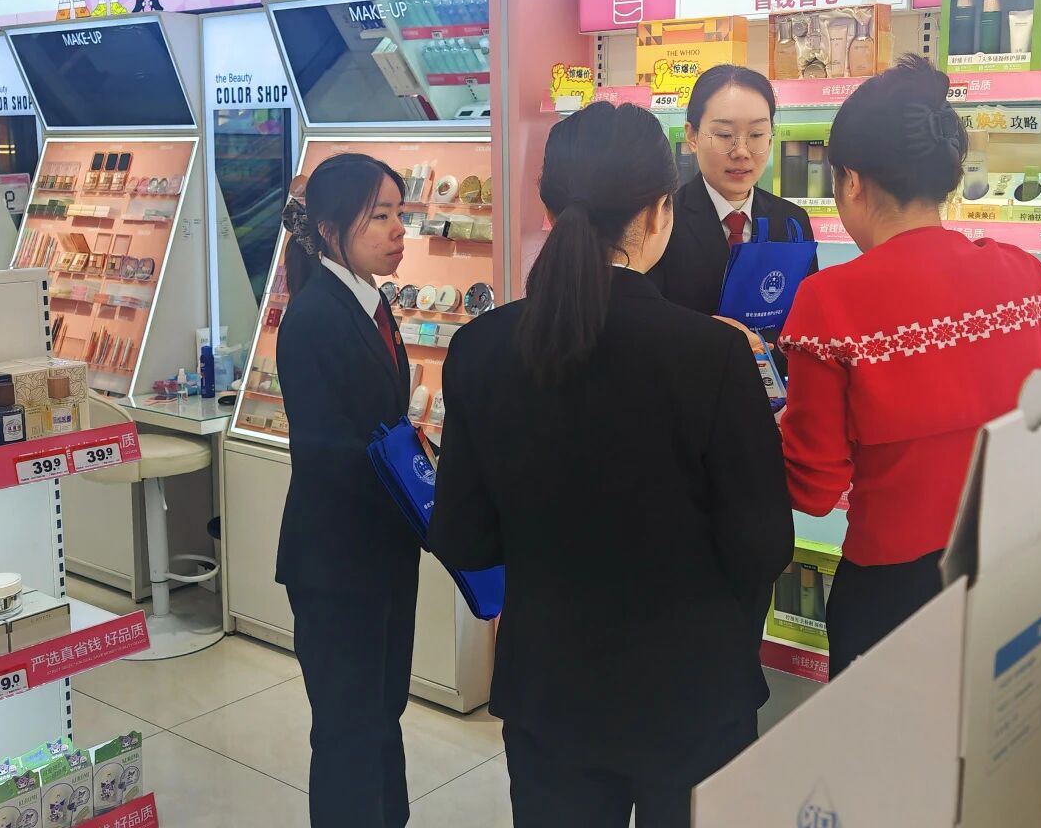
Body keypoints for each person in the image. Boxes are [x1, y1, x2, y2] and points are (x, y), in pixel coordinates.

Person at [429, 102, 793, 828]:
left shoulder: (480, 348)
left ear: (549, 210)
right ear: (659, 211)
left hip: (550, 691)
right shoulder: (715, 356)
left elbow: (463, 538)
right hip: (692, 695)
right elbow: (763, 547)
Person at [778, 55, 1041, 678]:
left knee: (884, 737)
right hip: (1012, 566)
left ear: (851, 181)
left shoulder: (829, 301)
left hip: (892, 592)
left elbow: (813, 487)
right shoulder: (1025, 276)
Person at [275, 154, 419, 828]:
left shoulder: (372, 301)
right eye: (380, 216)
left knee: (382, 710)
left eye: (400, 214)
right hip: (338, 560)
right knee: (346, 726)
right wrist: (415, 486)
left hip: (382, 552)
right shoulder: (314, 318)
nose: (398, 230)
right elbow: (328, 454)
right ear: (331, 230)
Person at [648, 65, 817, 345]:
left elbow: (806, 323)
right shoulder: (662, 220)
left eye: (757, 134)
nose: (741, 151)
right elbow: (650, 321)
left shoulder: (792, 222)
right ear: (692, 136)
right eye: (725, 135)